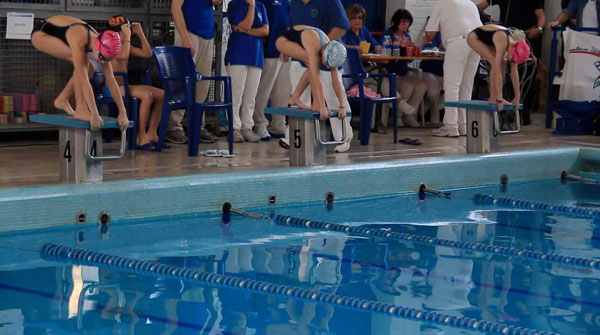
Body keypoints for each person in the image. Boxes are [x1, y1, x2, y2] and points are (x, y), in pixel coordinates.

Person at [31, 15, 128, 131]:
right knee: (83, 63)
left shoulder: (102, 44)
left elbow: (111, 81)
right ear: (97, 47)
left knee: (90, 67)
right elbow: (84, 82)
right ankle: (81, 109)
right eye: (102, 57)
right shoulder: (80, 40)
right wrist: (94, 113)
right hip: (41, 34)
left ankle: (62, 99)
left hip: (61, 35)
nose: (103, 61)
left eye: (106, 59)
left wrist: (123, 112)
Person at [286, 0, 353, 153]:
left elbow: (342, 26)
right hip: (301, 57)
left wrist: (323, 47)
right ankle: (299, 137)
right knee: (299, 99)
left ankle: (343, 136)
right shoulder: (295, 3)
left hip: (326, 58)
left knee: (333, 97)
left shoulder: (330, 2)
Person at [477, 0, 545, 125]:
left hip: (524, 36)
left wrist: (538, 29)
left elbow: (541, 15)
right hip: (507, 34)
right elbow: (478, 7)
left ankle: (522, 112)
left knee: (525, 75)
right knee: (505, 73)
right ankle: (505, 109)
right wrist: (489, 22)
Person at [168, 0, 222, 145]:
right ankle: (173, 127)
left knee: (203, 83)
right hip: (188, 33)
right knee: (181, 80)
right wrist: (184, 37)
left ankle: (197, 124)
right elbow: (175, 7)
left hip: (207, 33)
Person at [425, 0, 483, 137]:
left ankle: (450, 126)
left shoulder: (442, 3)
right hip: (476, 43)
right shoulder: (470, 3)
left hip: (458, 42)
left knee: (452, 85)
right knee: (466, 87)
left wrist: (428, 37)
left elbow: (429, 34)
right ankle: (463, 126)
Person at [107, 15, 165, 151]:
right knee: (147, 96)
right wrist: (127, 37)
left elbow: (147, 53)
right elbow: (122, 56)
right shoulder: (109, 43)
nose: (121, 34)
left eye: (123, 30)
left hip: (125, 86)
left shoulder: (125, 44)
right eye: (118, 32)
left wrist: (139, 33)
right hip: (112, 87)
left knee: (163, 95)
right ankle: (141, 136)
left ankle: (151, 133)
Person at [276, 26, 348, 120]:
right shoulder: (315, 45)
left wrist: (342, 106)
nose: (326, 66)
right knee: (313, 64)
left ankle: (295, 97)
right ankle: (299, 98)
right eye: (326, 63)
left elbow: (336, 82)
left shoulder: (332, 51)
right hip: (283, 41)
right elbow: (315, 79)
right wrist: (321, 106)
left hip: (297, 40)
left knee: (314, 64)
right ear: (324, 54)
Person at [225, 0, 270, 143]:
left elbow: (265, 30)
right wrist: (251, 5)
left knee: (250, 95)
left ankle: (247, 126)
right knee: (236, 93)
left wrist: (245, 31)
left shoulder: (261, 6)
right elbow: (246, 24)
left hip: (255, 55)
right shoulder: (234, 4)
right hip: (238, 54)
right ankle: (234, 128)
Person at [467, 24, 531, 112]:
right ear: (512, 49)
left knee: (503, 62)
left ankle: (496, 96)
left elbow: (514, 73)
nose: (511, 61)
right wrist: (499, 99)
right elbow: (497, 71)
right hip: (474, 37)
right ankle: (493, 97)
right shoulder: (502, 40)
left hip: (490, 39)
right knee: (495, 62)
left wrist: (517, 96)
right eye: (512, 58)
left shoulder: (519, 37)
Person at [380, 9, 427, 128]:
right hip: (390, 70)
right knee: (408, 86)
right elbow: (384, 56)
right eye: (403, 22)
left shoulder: (407, 36)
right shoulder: (388, 35)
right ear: (396, 22)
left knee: (422, 85)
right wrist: (399, 48)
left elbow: (409, 59)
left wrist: (413, 50)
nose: (405, 25)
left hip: (403, 71)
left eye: (408, 22)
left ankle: (408, 115)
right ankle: (399, 115)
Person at [252, 0, 291, 141]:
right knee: (264, 90)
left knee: (283, 91)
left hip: (287, 50)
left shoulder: (287, 1)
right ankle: (260, 123)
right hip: (270, 50)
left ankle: (279, 124)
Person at [420, 32, 444, 125]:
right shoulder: (431, 34)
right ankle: (435, 117)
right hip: (429, 70)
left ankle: (434, 106)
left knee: (459, 87)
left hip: (446, 73)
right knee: (434, 93)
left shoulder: (453, 34)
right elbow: (428, 48)